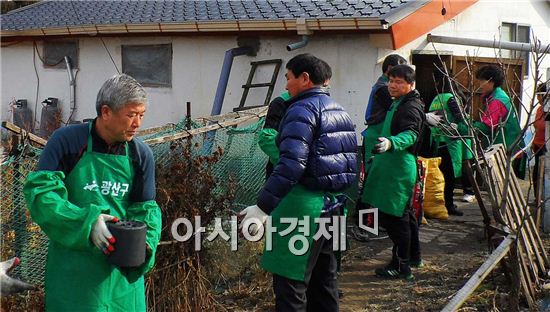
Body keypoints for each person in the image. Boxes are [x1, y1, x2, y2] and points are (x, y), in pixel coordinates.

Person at [23, 74, 162, 311]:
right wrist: (87, 222)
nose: (137, 123)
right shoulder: (66, 142)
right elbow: (43, 196)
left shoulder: (140, 155)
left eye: (141, 115)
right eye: (131, 115)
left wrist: (144, 246)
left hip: (122, 280)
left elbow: (146, 210)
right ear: (106, 112)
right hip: (74, 274)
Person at [239, 53, 357, 311]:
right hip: (334, 206)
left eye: (288, 78)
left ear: (304, 79)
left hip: (303, 209)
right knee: (324, 283)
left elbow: (291, 164)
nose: (286, 85)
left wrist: (262, 207)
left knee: (291, 285)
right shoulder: (339, 110)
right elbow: (350, 167)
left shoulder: (300, 110)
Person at [361, 65, 425, 281]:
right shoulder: (399, 102)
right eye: (391, 80)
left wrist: (391, 143)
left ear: (411, 84)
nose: (393, 85)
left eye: (399, 82)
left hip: (399, 169)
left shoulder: (410, 108)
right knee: (405, 216)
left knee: (396, 220)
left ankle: (401, 266)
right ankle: (414, 257)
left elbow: (411, 134)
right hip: (391, 166)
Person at [458, 64, 525, 179]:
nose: (480, 85)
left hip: (504, 150)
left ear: (491, 82)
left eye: (481, 81)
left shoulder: (497, 101)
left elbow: (486, 127)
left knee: (500, 184)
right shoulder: (500, 95)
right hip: (510, 148)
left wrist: (461, 127)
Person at [425, 69, 467, 216]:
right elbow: (462, 119)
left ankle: (439, 204)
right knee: (448, 178)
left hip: (436, 142)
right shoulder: (451, 99)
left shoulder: (435, 99)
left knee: (439, 176)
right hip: (449, 143)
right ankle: (449, 205)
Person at [362, 54, 408, 170]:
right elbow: (398, 110)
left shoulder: (386, 86)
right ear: (389, 69)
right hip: (375, 137)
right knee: (373, 173)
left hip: (383, 136)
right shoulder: (382, 88)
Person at [533, 83, 548, 199]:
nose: (538, 98)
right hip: (537, 146)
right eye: (537, 95)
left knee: (544, 175)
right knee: (536, 175)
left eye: (540, 95)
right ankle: (538, 199)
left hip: (546, 147)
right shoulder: (539, 109)